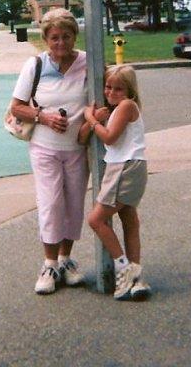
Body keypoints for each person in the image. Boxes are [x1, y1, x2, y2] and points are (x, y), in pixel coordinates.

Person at [10, 8, 104, 296]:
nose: (60, 43)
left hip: (77, 148)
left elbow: (105, 95)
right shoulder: (35, 65)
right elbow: (17, 106)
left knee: (74, 204)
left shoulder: (88, 63)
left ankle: (65, 260)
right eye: (54, 38)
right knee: (51, 203)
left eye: (65, 37)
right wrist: (44, 117)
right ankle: (49, 264)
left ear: (74, 36)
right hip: (44, 147)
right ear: (46, 39)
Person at [82, 64, 151, 301]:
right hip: (130, 166)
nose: (111, 92)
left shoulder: (125, 106)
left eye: (118, 89)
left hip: (125, 167)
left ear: (129, 91)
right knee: (129, 219)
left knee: (96, 219)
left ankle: (124, 267)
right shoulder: (121, 108)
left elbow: (109, 138)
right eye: (108, 87)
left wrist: (92, 119)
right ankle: (137, 278)